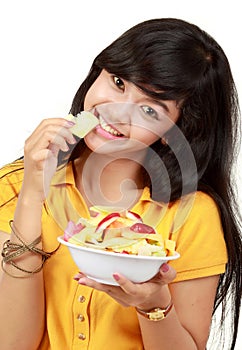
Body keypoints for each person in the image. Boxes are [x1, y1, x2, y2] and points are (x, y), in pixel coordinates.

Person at [0, 17, 241, 350]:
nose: (117, 112)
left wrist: (153, 303)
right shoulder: (15, 185)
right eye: (117, 82)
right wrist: (29, 197)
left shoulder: (194, 214)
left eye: (150, 110)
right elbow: (13, 343)